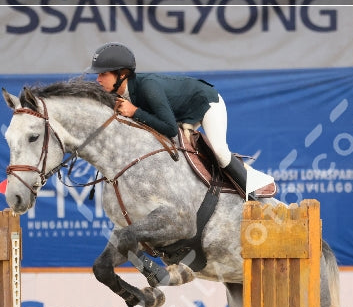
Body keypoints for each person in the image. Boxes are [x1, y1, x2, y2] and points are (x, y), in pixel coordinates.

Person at [88, 42, 271, 197]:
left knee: (220, 151)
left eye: (103, 74)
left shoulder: (148, 87)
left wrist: (135, 112)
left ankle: (252, 195)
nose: (98, 79)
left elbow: (169, 129)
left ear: (122, 74)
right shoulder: (121, 94)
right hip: (179, 112)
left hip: (205, 102)